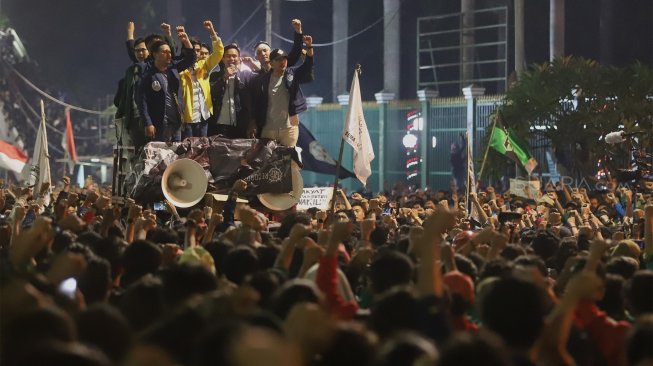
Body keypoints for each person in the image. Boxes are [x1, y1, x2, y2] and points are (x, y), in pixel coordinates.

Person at [248, 35, 314, 146]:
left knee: (288, 159)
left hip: (289, 128)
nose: (282, 62)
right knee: (268, 160)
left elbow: (307, 65)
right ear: (271, 63)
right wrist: (253, 122)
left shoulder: (291, 74)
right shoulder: (261, 80)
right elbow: (256, 103)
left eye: (284, 59)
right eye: (278, 60)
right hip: (269, 128)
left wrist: (308, 46)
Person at [136, 29, 196, 142]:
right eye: (164, 52)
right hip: (159, 124)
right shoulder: (148, 76)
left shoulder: (173, 68)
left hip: (176, 122)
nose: (169, 55)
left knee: (176, 155)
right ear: (155, 54)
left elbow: (191, 59)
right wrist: (148, 123)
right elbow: (142, 102)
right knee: (161, 156)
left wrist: (186, 41)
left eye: (169, 52)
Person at [178, 21, 224, 138]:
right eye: (193, 49)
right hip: (187, 118)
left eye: (198, 50)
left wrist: (212, 32)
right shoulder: (179, 69)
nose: (196, 53)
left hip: (204, 115)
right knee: (188, 152)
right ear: (185, 50)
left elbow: (219, 53)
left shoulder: (204, 65)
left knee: (202, 150)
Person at [208, 43, 255, 138]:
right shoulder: (215, 76)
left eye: (234, 56)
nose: (231, 59)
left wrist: (254, 64)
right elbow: (211, 94)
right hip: (220, 124)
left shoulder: (247, 75)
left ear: (239, 58)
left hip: (241, 123)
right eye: (228, 56)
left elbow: (263, 80)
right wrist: (224, 78)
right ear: (223, 58)